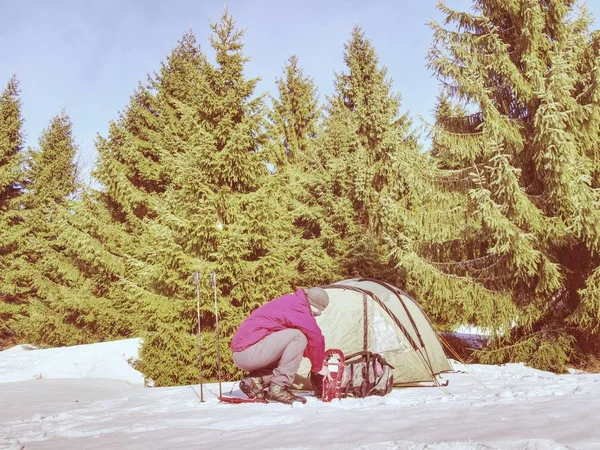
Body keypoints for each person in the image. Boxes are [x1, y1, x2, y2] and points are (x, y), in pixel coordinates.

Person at [231, 287, 332, 404]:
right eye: (315, 314)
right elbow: (316, 338)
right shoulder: (299, 308)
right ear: (314, 306)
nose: (313, 317)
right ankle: (278, 389)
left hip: (247, 351)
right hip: (247, 352)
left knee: (291, 357)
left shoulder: (294, 301)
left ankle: (255, 380)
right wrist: (318, 367)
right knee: (298, 336)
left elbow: (297, 348)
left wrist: (314, 359)